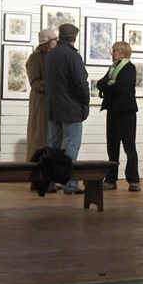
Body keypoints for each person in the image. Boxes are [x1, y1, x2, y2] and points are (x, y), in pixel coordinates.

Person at [44, 22, 90, 194]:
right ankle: (70, 183)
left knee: (52, 146)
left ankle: (48, 182)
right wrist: (85, 102)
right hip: (71, 108)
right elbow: (80, 82)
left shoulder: (51, 54)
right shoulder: (72, 56)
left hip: (53, 106)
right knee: (71, 145)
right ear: (74, 38)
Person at [96, 41, 141, 192]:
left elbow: (122, 87)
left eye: (115, 50)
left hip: (126, 112)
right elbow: (100, 83)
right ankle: (111, 179)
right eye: (113, 50)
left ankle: (134, 180)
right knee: (112, 146)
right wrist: (110, 83)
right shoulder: (113, 67)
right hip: (113, 111)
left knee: (129, 147)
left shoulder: (129, 68)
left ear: (123, 52)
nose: (112, 53)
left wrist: (109, 85)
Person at [25, 28, 58, 161]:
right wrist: (53, 84)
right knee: (39, 134)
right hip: (40, 101)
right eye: (54, 40)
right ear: (47, 42)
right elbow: (34, 82)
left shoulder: (52, 57)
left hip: (51, 100)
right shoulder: (35, 58)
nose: (56, 43)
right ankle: (36, 164)